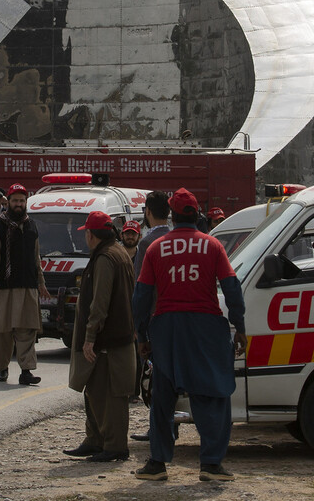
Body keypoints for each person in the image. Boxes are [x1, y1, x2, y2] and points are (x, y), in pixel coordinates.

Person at [132, 188, 246, 482]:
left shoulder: (156, 248)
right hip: (206, 328)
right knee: (212, 395)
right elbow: (232, 288)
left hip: (167, 329)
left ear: (171, 215)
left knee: (163, 397)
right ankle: (210, 465)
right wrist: (240, 326)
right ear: (196, 215)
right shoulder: (213, 246)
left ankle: (157, 463)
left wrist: (142, 334)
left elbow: (142, 295)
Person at [63, 211, 137, 462]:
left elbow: (100, 303)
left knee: (109, 395)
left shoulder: (106, 258)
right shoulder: (117, 253)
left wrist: (90, 336)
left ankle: (115, 446)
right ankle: (95, 440)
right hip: (115, 337)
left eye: (86, 232)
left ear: (92, 235)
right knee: (94, 391)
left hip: (108, 341)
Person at [0, 183, 52, 385]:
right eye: (15, 201)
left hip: (28, 286)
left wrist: (41, 283)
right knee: (4, 331)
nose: (18, 204)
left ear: (26, 203)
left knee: (27, 330)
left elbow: (36, 257)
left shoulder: (31, 225)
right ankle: (2, 368)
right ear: (8, 202)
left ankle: (26, 371)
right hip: (5, 286)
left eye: (22, 201)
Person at [129, 191, 170, 420]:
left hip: (154, 321)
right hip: (174, 318)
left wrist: (139, 328)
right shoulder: (173, 238)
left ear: (147, 212)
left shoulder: (146, 244)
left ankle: (157, 425)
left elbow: (140, 289)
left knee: (153, 376)